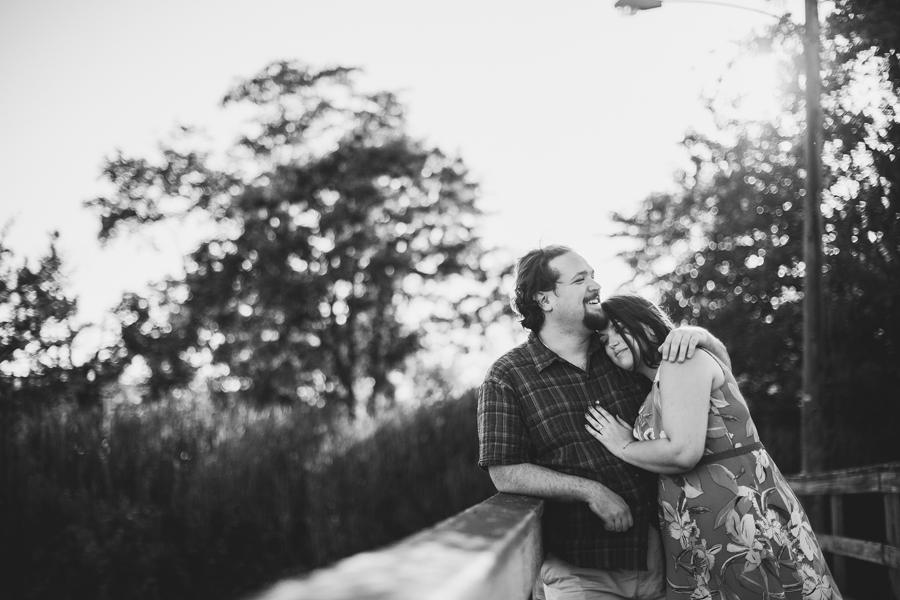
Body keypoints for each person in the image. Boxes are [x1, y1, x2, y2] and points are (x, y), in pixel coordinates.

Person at [477, 246, 731, 600]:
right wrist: (589, 491)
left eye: (594, 276)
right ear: (545, 299)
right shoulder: (507, 376)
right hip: (581, 572)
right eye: (580, 279)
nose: (596, 285)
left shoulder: (623, 350)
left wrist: (699, 336)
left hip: (668, 557)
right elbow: (504, 471)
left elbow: (715, 382)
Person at [585, 294, 842, 600]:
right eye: (604, 339)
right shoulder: (657, 384)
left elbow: (684, 452)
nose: (611, 343)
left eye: (618, 329)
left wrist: (624, 446)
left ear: (648, 324)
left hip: (737, 516)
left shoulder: (680, 361)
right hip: (700, 527)